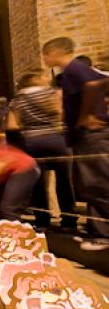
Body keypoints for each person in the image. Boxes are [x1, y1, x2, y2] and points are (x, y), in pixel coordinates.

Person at [43, 37, 109, 250]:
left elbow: (94, 84)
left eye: (46, 54)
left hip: (91, 134)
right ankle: (97, 232)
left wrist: (86, 115)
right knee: (89, 185)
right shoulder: (73, 71)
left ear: (55, 52)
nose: (44, 59)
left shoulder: (74, 69)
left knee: (98, 183)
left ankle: (103, 235)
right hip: (84, 136)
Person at [6, 70, 78, 231]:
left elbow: (12, 125)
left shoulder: (17, 99)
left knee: (38, 183)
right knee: (64, 181)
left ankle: (42, 220)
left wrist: (29, 127)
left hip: (31, 142)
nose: (48, 78)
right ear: (36, 79)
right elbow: (61, 113)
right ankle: (69, 220)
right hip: (56, 139)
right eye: (45, 76)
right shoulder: (53, 93)